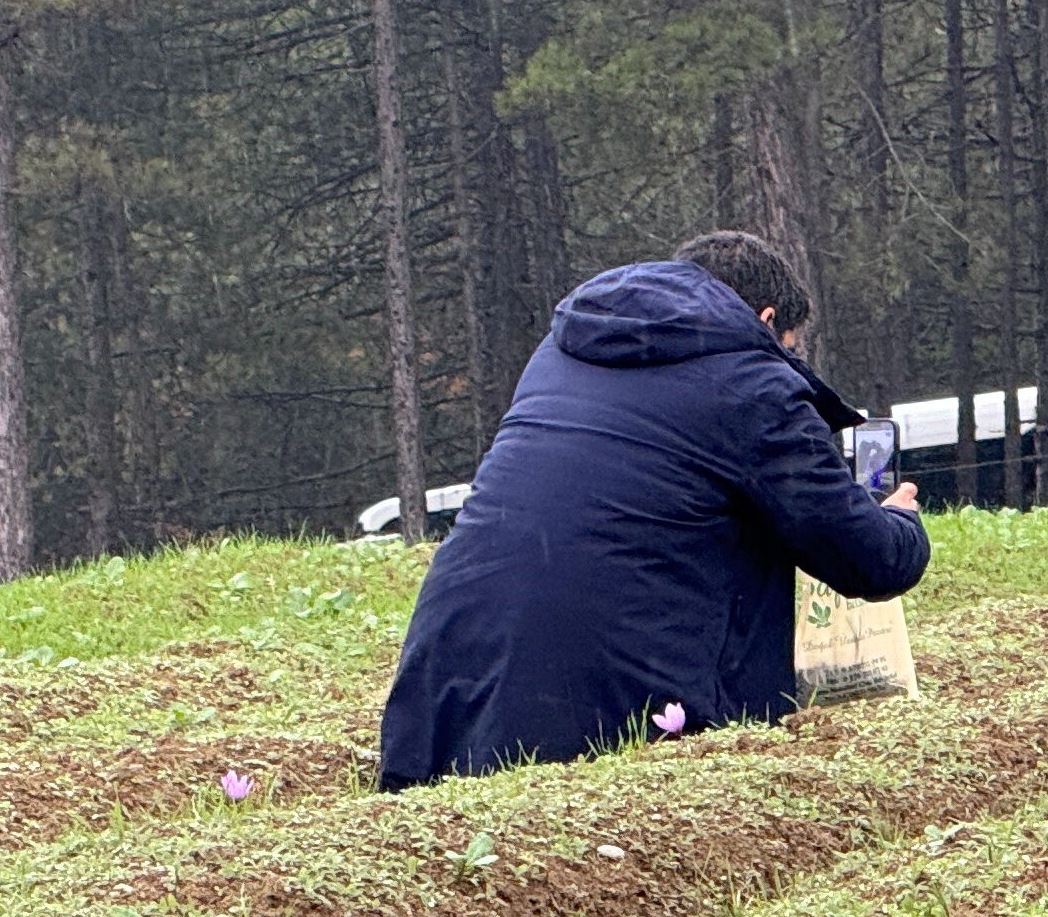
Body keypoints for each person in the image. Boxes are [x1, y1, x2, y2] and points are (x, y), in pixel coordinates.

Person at [378, 230, 928, 790]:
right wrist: (900, 520)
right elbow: (869, 559)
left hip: (450, 677)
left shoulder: (565, 349)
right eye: (790, 346)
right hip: (600, 697)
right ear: (766, 320)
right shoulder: (753, 382)